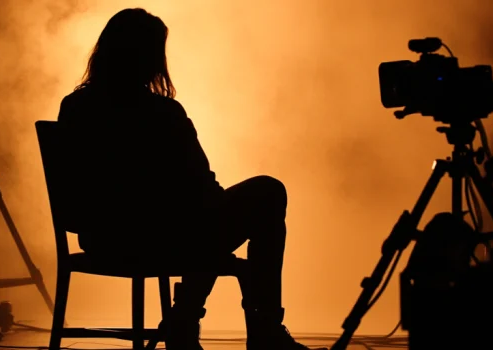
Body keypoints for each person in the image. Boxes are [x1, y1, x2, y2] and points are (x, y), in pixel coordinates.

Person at [56, 8, 319, 350]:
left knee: (203, 225)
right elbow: (203, 191)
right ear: (150, 58)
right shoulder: (162, 114)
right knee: (266, 193)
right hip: (158, 241)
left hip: (102, 239)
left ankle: (185, 316)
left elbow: (73, 191)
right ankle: (241, 324)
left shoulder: (74, 107)